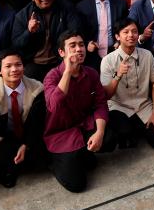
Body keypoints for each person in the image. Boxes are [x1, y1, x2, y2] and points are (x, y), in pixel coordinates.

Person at [0, 51, 47, 188]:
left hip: (27, 135)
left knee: (41, 153)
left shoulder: (36, 88)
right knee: (8, 155)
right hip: (2, 137)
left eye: (18, 64)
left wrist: (26, 144)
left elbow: (38, 122)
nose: (14, 69)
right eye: (8, 66)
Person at [43, 31, 108, 192]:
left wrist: (99, 132)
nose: (79, 49)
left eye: (81, 45)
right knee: (77, 184)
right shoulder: (52, 76)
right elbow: (54, 105)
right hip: (61, 134)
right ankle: (55, 161)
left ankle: (81, 154)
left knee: (109, 136)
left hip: (83, 125)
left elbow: (100, 104)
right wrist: (67, 72)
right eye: (72, 46)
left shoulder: (91, 73)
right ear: (61, 52)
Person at [99, 19, 154, 151]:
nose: (131, 35)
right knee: (124, 132)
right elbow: (106, 95)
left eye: (134, 32)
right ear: (117, 36)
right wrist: (118, 75)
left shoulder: (147, 55)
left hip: (143, 105)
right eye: (126, 32)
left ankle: (138, 127)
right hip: (119, 106)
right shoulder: (108, 60)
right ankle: (132, 129)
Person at [12, 0, 82, 81]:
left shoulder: (67, 8)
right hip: (34, 63)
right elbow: (16, 44)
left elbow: (75, 32)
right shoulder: (23, 15)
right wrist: (29, 32)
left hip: (60, 61)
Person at [75, 0, 129, 71]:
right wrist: (87, 43)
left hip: (115, 51)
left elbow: (125, 27)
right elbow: (78, 31)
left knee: (115, 81)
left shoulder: (121, 5)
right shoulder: (82, 7)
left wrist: (120, 41)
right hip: (92, 53)